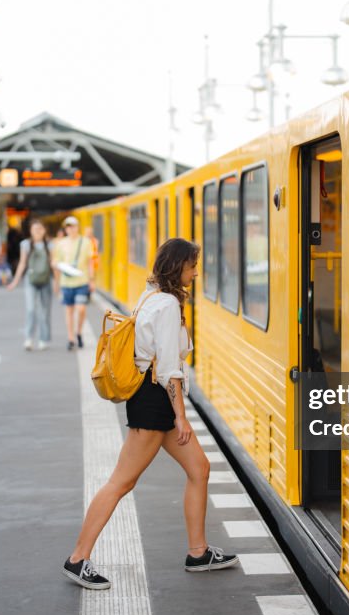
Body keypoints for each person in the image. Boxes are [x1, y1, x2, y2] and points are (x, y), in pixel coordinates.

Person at [62, 238, 238, 591]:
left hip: (152, 397)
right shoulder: (168, 306)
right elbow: (169, 369)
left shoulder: (150, 295)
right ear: (178, 268)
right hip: (155, 400)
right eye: (191, 266)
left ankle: (198, 552)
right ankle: (77, 559)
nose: (196, 272)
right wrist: (181, 417)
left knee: (199, 469)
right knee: (121, 482)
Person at [7, 220, 54, 350]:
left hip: (46, 280)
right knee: (31, 309)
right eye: (35, 229)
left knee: (45, 310)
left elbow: (52, 264)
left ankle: (44, 339)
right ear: (31, 231)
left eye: (40, 229)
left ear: (44, 230)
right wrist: (15, 282)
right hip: (31, 280)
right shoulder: (26, 244)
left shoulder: (50, 245)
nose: (37, 232)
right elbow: (22, 263)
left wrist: (58, 285)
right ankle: (29, 338)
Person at [52, 216, 95, 351]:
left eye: (73, 226)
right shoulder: (60, 243)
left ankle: (79, 331)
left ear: (77, 227)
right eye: (68, 226)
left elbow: (90, 262)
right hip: (66, 282)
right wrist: (57, 282)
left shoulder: (86, 242)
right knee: (69, 310)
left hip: (82, 281)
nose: (70, 229)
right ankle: (71, 338)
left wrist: (91, 280)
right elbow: (55, 262)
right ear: (66, 229)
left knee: (81, 309)